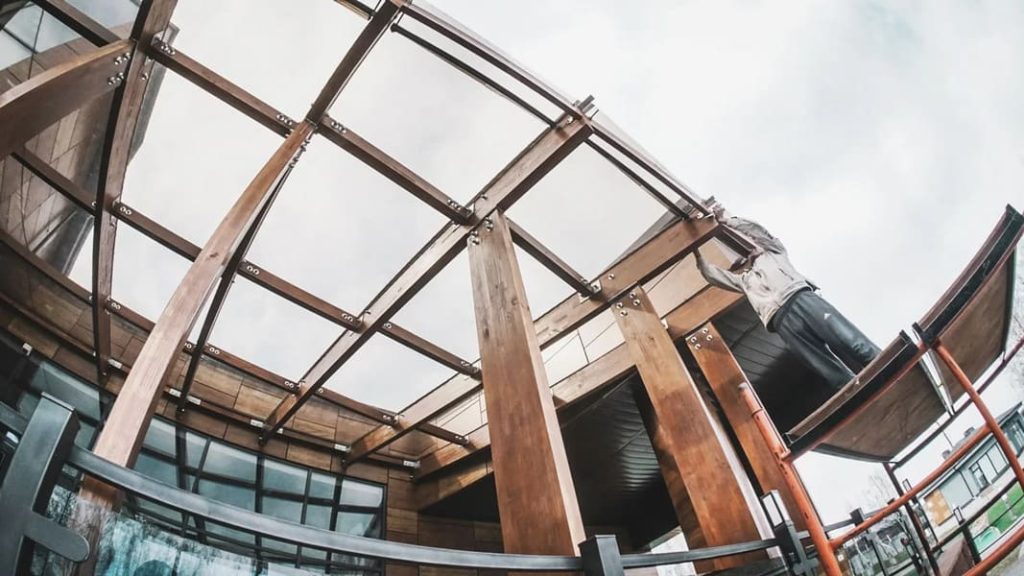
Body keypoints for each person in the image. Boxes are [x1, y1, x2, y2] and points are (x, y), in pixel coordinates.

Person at [694, 202, 880, 391]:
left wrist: (728, 221)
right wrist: (696, 250)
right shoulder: (745, 281)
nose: (746, 258)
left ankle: (877, 360)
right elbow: (713, 276)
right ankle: (848, 387)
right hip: (781, 321)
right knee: (819, 361)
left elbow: (758, 231)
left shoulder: (773, 251)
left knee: (843, 335)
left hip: (801, 299)